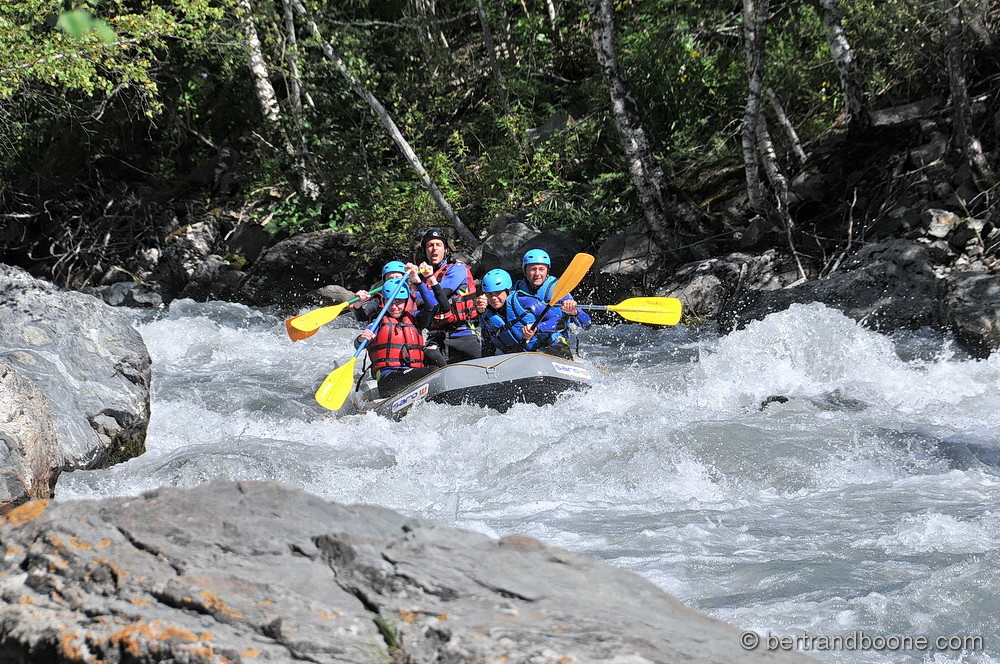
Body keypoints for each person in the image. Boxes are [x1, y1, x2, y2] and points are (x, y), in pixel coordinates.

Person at [355, 276, 437, 397]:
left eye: (398, 302)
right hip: (388, 379)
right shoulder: (378, 322)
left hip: (412, 374)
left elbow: (433, 306)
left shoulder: (416, 319)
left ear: (406, 301)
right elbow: (358, 344)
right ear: (383, 301)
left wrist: (419, 283)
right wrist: (362, 339)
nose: (394, 307)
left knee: (436, 368)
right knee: (433, 371)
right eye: (389, 302)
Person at [416, 227, 481, 365]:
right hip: (436, 336)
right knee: (428, 354)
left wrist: (418, 289)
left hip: (462, 333)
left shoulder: (457, 269)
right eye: (430, 245)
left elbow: (438, 298)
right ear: (425, 250)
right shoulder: (420, 276)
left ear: (445, 249)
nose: (434, 249)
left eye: (438, 245)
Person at [511, 248, 591, 357]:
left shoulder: (558, 289)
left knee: (558, 345)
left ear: (547, 271)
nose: (537, 273)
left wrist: (575, 312)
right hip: (529, 340)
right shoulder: (518, 289)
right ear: (525, 271)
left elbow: (587, 324)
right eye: (533, 269)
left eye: (541, 269)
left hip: (555, 339)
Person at [474, 269, 568, 358]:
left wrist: (537, 328)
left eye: (498, 293)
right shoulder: (487, 316)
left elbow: (559, 321)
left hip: (551, 346)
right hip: (523, 358)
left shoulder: (524, 301)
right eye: (490, 294)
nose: (494, 298)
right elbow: (487, 348)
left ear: (507, 291)